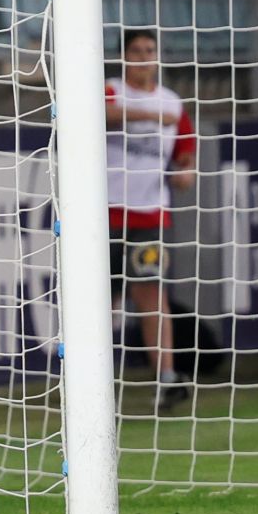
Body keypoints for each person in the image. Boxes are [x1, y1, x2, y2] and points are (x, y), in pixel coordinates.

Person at [104, 27, 196, 390]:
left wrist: (185, 175)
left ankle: (167, 377)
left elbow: (185, 157)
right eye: (137, 51)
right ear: (125, 57)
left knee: (152, 295)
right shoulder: (111, 89)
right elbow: (101, 114)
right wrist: (151, 116)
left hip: (150, 214)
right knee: (101, 297)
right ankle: (90, 380)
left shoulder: (173, 103)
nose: (145, 57)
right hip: (104, 213)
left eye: (150, 50)